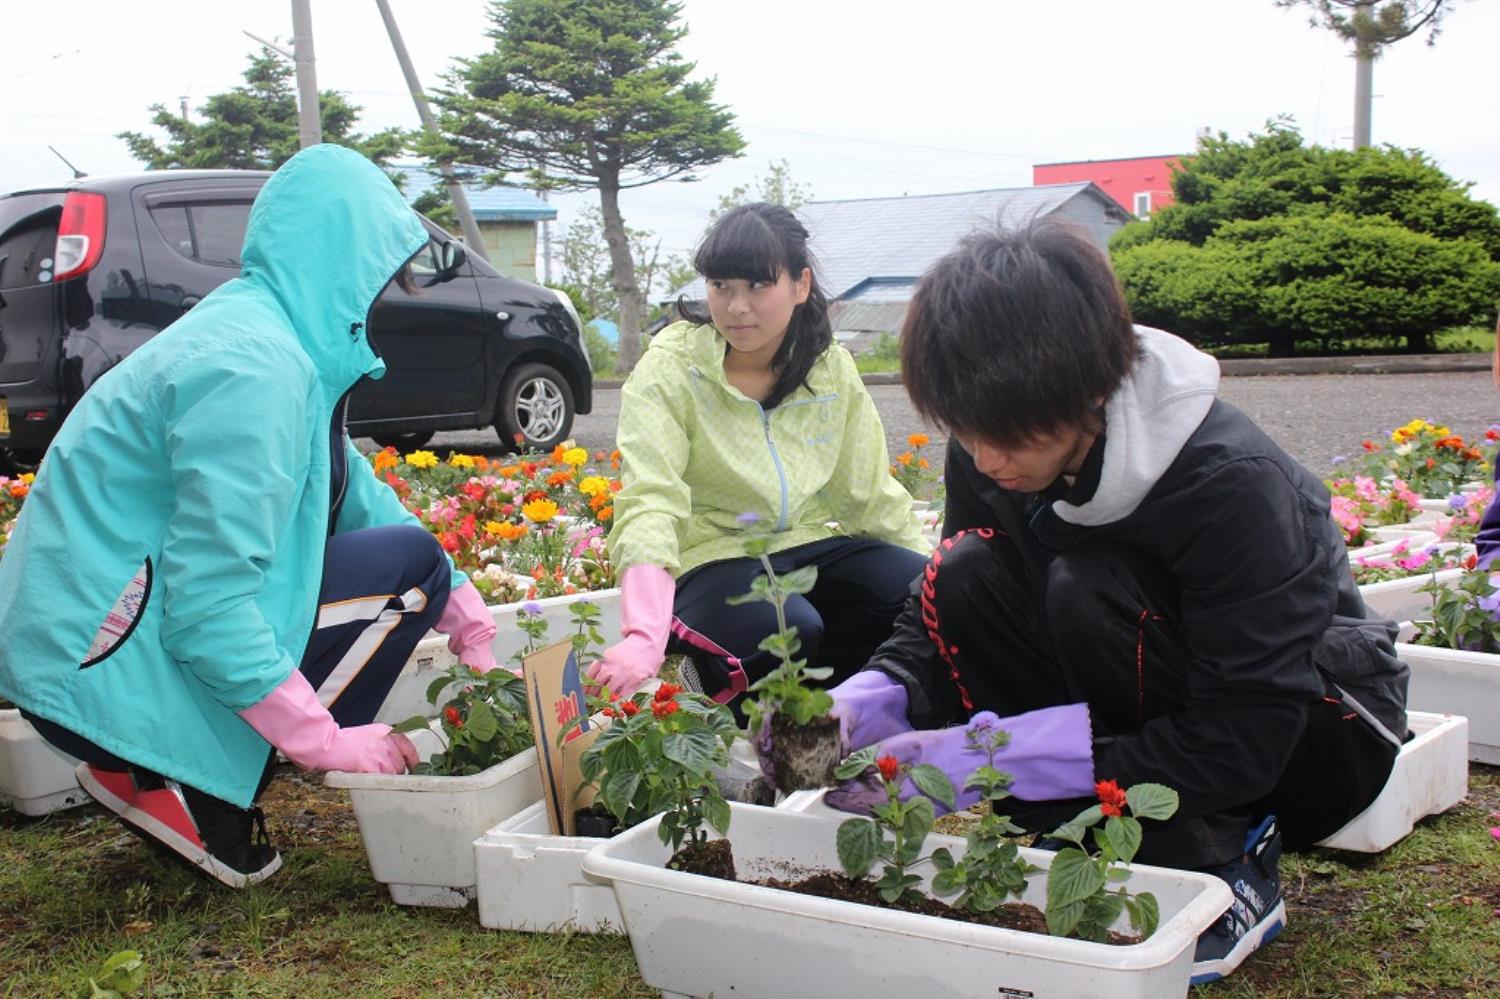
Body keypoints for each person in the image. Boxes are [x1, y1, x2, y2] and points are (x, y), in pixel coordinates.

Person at [788, 219, 1409, 983]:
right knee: (965, 569)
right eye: (968, 429)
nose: (987, 459)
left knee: (1089, 585)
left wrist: (990, 760)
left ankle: (1224, 857)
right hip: (1165, 704)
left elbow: (1246, 731)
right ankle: (1092, 825)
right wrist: (880, 690)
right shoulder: (999, 432)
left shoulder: (1231, 485)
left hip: (1309, 736)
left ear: (1088, 387)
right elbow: (947, 602)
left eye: (1008, 434)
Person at [0, 145, 500, 888]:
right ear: (343, 265)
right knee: (403, 582)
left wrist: (467, 611)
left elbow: (347, 485)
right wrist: (324, 740)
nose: (391, 292)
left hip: (92, 644)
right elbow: (207, 609)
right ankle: (193, 782)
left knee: (415, 561)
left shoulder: (275, 338)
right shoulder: (255, 367)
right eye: (381, 271)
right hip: (94, 666)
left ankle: (146, 765)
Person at [589, 203, 929, 708]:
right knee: (789, 629)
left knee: (920, 596)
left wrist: (940, 581)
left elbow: (867, 495)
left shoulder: (829, 369)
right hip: (710, 558)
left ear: (800, 284)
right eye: (721, 286)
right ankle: (697, 684)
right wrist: (643, 634)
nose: (736, 307)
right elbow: (650, 498)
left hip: (807, 543)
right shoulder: (671, 368)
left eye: (757, 286)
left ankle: (838, 718)